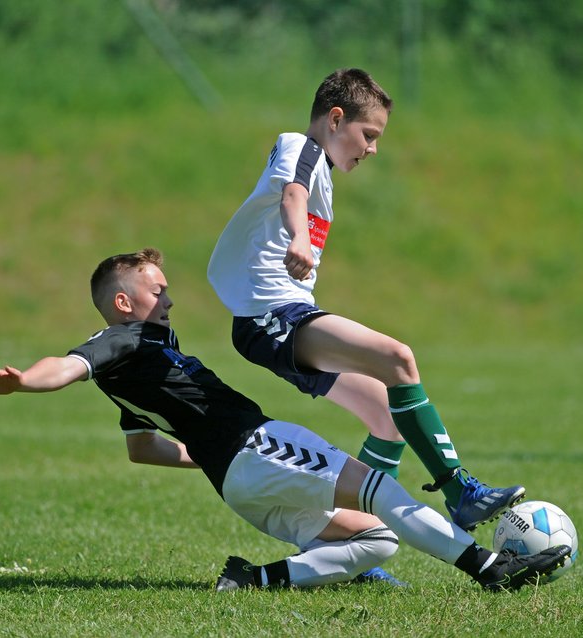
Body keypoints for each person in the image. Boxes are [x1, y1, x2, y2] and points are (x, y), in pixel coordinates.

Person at [0, 249, 569, 591]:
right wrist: (24, 381)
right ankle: (490, 568)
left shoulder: (141, 359)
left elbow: (142, 449)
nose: (170, 300)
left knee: (377, 539)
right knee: (381, 491)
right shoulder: (121, 340)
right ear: (124, 303)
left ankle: (252, 580)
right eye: (159, 291)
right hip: (256, 447)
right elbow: (67, 365)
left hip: (239, 485)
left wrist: (209, 455)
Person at [207, 68, 525, 530]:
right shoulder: (302, 148)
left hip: (282, 315)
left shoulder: (321, 168)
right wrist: (299, 236)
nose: (372, 149)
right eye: (369, 135)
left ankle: (360, 539)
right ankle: (460, 492)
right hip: (269, 316)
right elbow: (292, 193)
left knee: (386, 415)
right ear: (336, 119)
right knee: (398, 358)